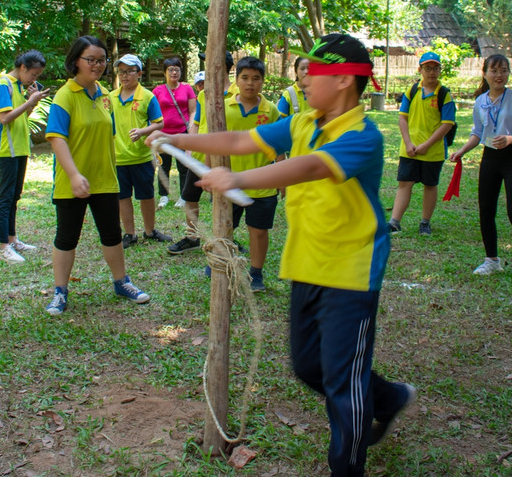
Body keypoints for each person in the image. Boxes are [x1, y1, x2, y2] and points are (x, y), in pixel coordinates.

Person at [148, 33, 415, 476]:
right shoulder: (302, 122)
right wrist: (178, 142)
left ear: (346, 80)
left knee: (342, 385)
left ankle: (346, 468)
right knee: (310, 367)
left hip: (352, 269)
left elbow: (309, 166)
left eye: (316, 70)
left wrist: (236, 182)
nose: (304, 78)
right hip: (306, 262)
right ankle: (389, 398)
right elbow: (240, 142)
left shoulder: (363, 137)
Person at [44, 36, 151, 316]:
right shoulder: (64, 96)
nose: (98, 65)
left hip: (105, 179)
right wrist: (74, 175)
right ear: (75, 61)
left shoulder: (105, 95)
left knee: (112, 234)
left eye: (101, 60)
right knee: (67, 237)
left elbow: (110, 135)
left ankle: (121, 282)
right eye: (90, 59)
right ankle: (60, 292)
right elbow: (57, 139)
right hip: (72, 182)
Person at [448, 54, 512, 276]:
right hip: (490, 158)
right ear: (485, 73)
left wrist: (510, 139)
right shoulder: (480, 102)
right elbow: (478, 133)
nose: (499, 75)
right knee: (486, 211)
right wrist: (462, 150)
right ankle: (492, 260)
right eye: (494, 70)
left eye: (504, 70)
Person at [214, 56, 280, 290]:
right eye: (245, 78)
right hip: (228, 183)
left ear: (263, 81)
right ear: (236, 79)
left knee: (258, 232)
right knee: (224, 227)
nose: (250, 83)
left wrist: (282, 180)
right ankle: (220, 263)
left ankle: (256, 273)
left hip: (263, 185)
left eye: (256, 78)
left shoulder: (270, 110)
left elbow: (278, 146)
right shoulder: (222, 106)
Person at [167, 52, 235, 255]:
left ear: (226, 67)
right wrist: (189, 149)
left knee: (224, 202)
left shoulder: (237, 93)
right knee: (190, 197)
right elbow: (196, 122)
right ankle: (191, 237)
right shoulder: (204, 94)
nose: (210, 67)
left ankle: (226, 239)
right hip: (199, 157)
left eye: (214, 62)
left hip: (225, 158)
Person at [0, 49, 51, 264]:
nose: (34, 79)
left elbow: (21, 116)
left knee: (14, 196)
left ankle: (12, 239)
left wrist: (31, 102)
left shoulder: (18, 86)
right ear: (23, 67)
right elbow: (5, 118)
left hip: (21, 148)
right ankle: (3, 246)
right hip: (7, 150)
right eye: (33, 74)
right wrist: (30, 100)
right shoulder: (3, 84)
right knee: (5, 197)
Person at [388, 52, 456, 236]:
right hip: (409, 149)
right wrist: (408, 142)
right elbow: (403, 119)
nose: (431, 72)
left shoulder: (444, 94)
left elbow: (447, 124)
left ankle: (425, 222)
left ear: (440, 70)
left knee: (430, 185)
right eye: (427, 68)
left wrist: (426, 145)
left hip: (433, 151)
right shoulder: (412, 91)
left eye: (435, 68)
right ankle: (394, 222)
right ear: (420, 70)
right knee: (405, 183)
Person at [109, 54, 171, 246]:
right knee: (123, 197)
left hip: (141, 157)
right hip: (118, 158)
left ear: (140, 73)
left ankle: (150, 231)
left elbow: (159, 123)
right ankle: (129, 234)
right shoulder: (110, 98)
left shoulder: (147, 97)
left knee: (147, 195)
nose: (125, 76)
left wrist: (143, 131)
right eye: (121, 72)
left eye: (129, 71)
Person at [151, 57, 197, 209]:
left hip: (182, 132)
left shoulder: (187, 89)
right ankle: (164, 196)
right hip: (163, 133)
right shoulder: (158, 91)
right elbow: (153, 114)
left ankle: (183, 196)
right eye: (170, 69)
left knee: (183, 165)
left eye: (177, 69)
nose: (174, 72)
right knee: (163, 165)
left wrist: (191, 129)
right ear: (165, 72)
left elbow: (193, 111)